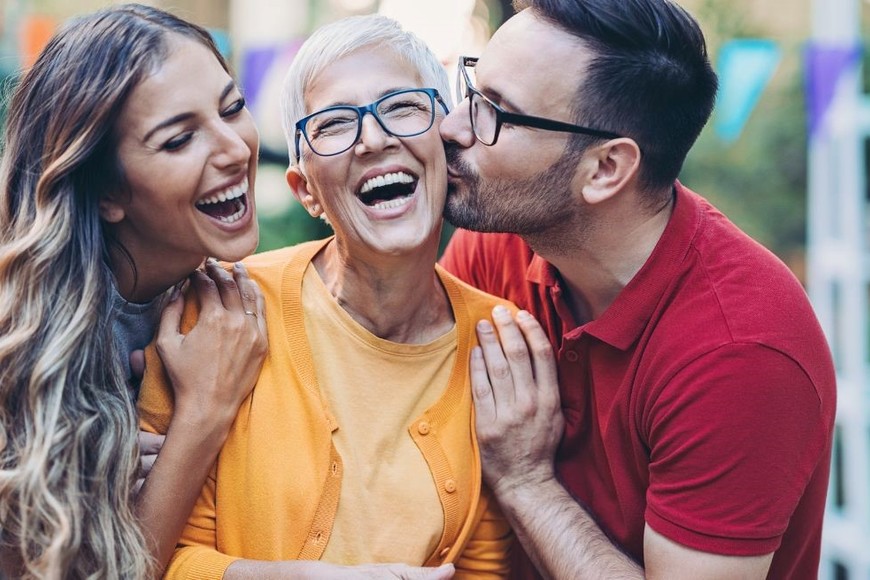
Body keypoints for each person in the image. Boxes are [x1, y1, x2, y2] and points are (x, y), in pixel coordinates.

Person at [438, 0, 837, 579]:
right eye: (472, 90)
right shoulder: (503, 246)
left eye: (497, 114)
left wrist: (526, 481)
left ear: (604, 170)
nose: (451, 127)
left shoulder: (741, 351)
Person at [138, 13, 514, 579]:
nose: (374, 137)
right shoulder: (219, 314)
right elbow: (150, 558)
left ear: (448, 148)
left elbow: (484, 567)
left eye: (404, 107)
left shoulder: (499, 347)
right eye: (334, 124)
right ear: (305, 189)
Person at [0, 5, 268, 578]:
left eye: (233, 107)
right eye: (179, 140)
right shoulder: (19, 351)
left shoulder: (232, 302)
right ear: (105, 194)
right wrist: (201, 416)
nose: (235, 149)